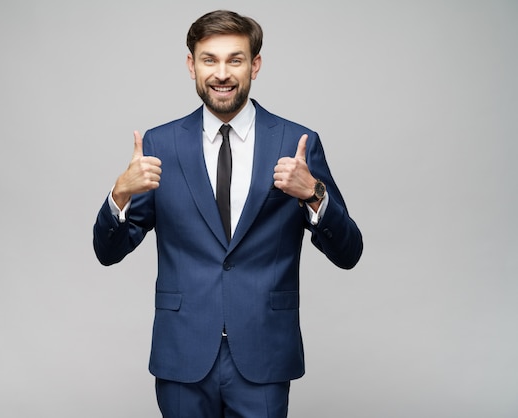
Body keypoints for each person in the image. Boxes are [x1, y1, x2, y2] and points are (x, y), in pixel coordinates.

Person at [93, 9, 363, 418]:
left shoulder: (295, 142)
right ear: (191, 65)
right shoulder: (160, 144)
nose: (222, 73)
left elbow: (349, 253)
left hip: (264, 352)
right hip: (183, 352)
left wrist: (313, 193)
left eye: (235, 59)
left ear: (254, 65)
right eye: (209, 60)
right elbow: (108, 251)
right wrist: (119, 193)